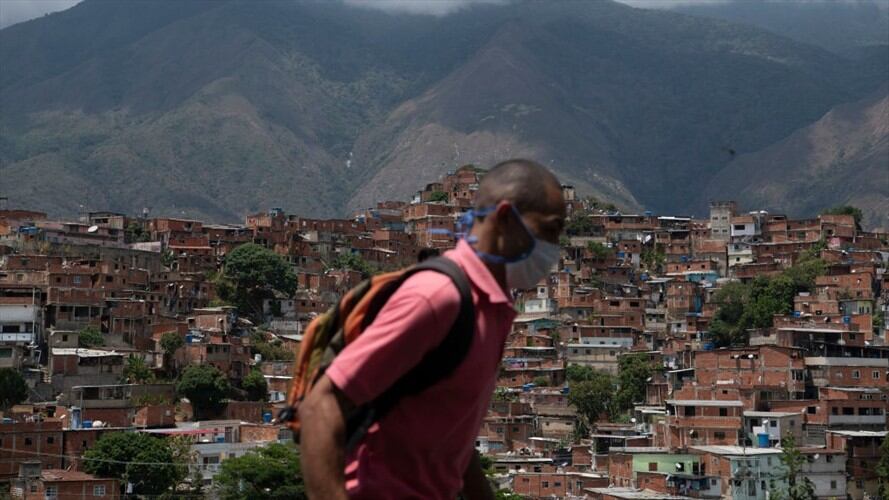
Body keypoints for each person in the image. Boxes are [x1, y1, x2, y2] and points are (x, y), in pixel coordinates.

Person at [299, 159, 566, 499]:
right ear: (504, 218)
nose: (554, 247)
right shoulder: (438, 298)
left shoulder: (493, 310)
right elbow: (321, 406)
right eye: (550, 230)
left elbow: (452, 440)